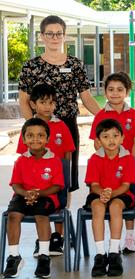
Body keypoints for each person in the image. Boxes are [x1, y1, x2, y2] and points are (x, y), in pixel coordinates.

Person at [17, 15, 100, 254]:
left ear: (65, 35)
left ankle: (57, 236)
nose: (55, 37)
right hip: (38, 131)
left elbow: (87, 98)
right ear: (42, 36)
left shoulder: (75, 64)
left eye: (59, 33)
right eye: (50, 33)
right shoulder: (31, 66)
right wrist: (32, 128)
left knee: (62, 180)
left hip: (65, 128)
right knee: (39, 180)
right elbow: (23, 99)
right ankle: (43, 235)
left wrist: (107, 119)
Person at [89, 72, 135, 254]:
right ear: (105, 92)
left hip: (128, 167)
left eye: (120, 90)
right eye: (111, 89)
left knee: (128, 199)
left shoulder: (134, 115)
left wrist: (130, 160)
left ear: (127, 91)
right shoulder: (100, 115)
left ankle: (129, 237)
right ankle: (105, 246)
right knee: (106, 204)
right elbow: (97, 142)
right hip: (108, 168)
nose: (115, 93)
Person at [15, 83, 75, 257]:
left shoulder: (61, 126)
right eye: (43, 102)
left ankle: (58, 237)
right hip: (34, 184)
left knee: (57, 204)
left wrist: (66, 179)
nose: (48, 106)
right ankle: (44, 239)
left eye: (51, 102)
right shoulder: (28, 128)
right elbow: (23, 157)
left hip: (54, 183)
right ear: (33, 104)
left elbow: (67, 154)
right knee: (39, 208)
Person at [4, 118, 64, 278]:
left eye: (40, 135)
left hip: (47, 196)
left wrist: (38, 193)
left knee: (41, 214)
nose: (35, 139)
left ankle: (44, 256)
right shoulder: (20, 160)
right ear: (23, 139)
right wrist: (26, 194)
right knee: (13, 215)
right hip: (22, 195)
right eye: (30, 135)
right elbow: (16, 184)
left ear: (48, 139)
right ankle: (14, 256)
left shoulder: (54, 160)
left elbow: (57, 186)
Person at [84, 119, 135, 277]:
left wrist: (111, 194)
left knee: (115, 207)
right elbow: (93, 185)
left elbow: (126, 186)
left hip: (121, 194)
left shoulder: (128, 158)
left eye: (115, 135)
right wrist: (103, 193)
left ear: (122, 138)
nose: (111, 140)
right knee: (98, 207)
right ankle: (100, 255)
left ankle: (114, 253)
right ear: (98, 141)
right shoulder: (94, 159)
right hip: (98, 193)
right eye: (105, 137)